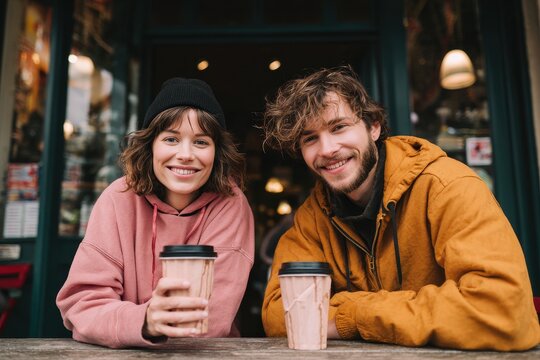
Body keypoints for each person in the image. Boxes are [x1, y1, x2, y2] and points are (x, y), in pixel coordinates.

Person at [261, 66, 540, 351]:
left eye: (339, 127)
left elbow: (503, 309)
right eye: (310, 138)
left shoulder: (447, 186)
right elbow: (279, 312)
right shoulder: (312, 216)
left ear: (373, 127)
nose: (327, 149)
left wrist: (350, 316)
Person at [57, 78, 255, 348]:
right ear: (150, 146)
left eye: (200, 142)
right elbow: (81, 305)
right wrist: (144, 321)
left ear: (217, 152)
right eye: (171, 139)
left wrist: (140, 321)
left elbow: (208, 319)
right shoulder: (118, 199)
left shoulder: (230, 204)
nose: (185, 154)